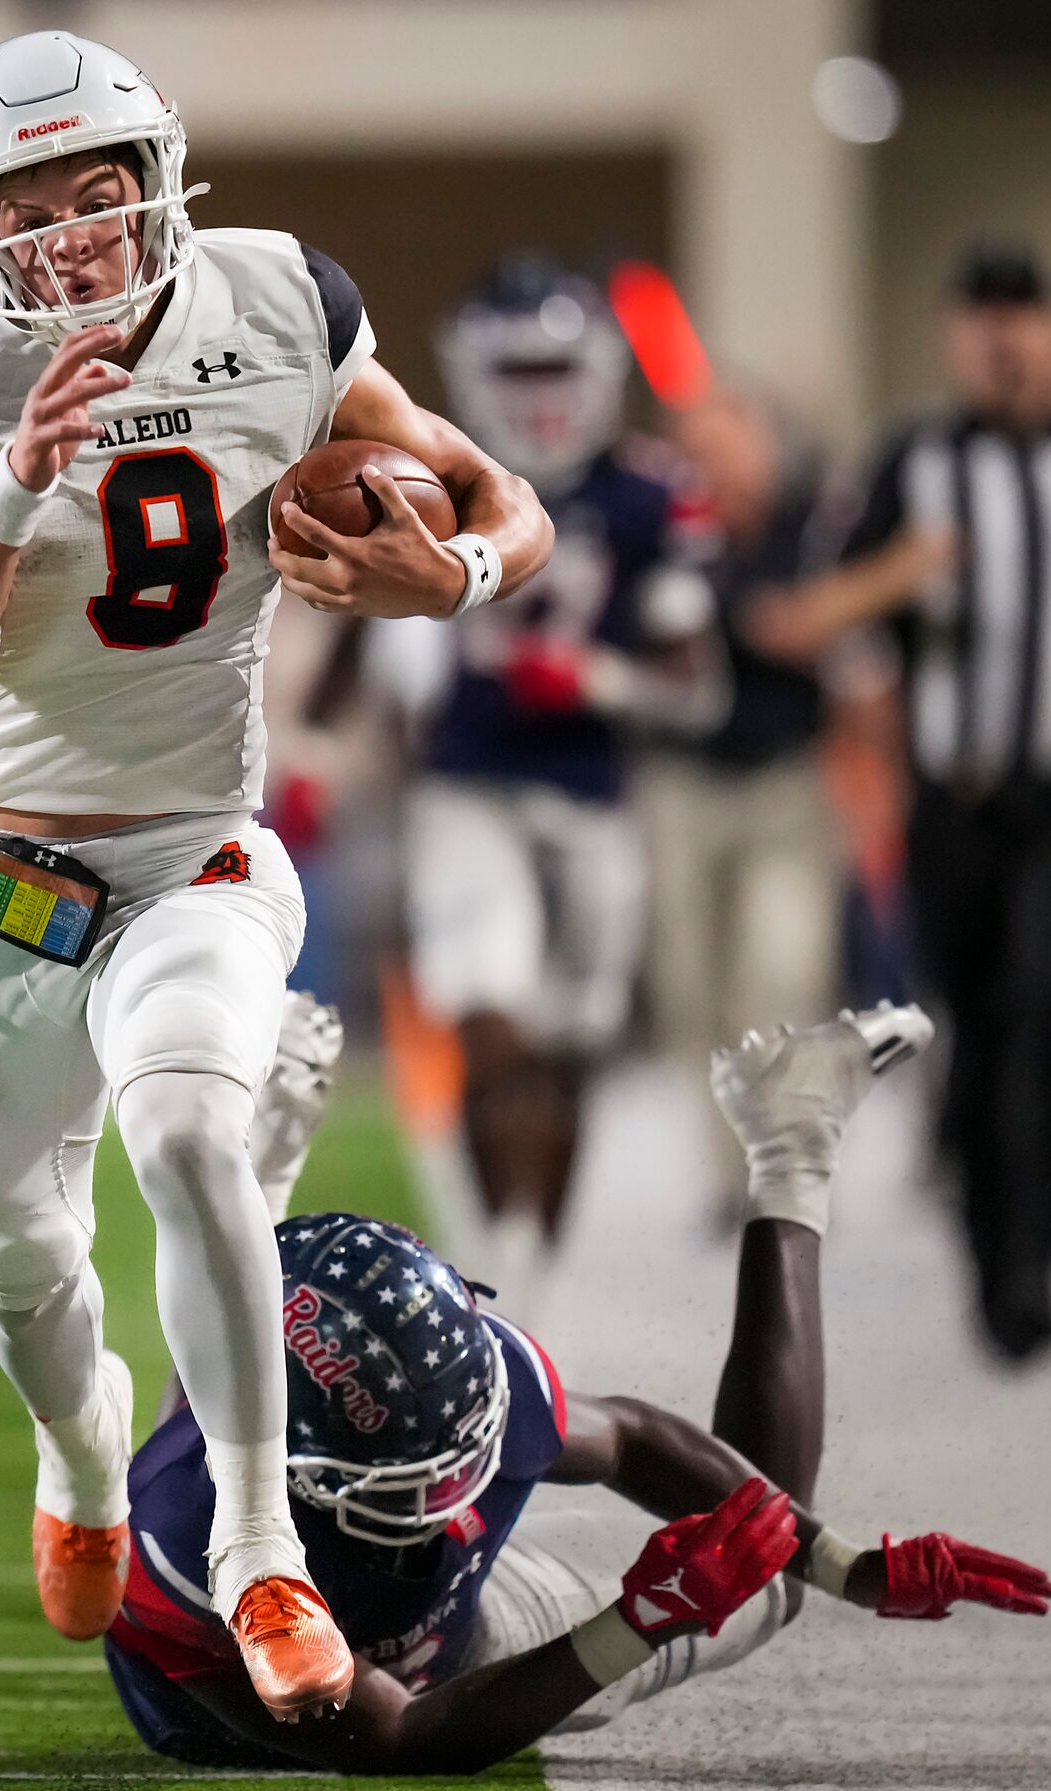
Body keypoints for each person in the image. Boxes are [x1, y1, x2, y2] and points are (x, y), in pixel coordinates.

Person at [0, 30, 554, 1724]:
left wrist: (448, 571)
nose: (78, 234)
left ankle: (253, 1547)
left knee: (179, 1129)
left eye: (105, 191)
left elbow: (498, 496)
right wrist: (12, 480)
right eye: (34, 207)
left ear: (161, 182)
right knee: (14, 1248)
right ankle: (80, 1445)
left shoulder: (285, 301)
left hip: (194, 848)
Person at [105, 1003, 1051, 1773]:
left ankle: (792, 1140)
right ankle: (257, 1170)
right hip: (232, 1713)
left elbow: (635, 1439)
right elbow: (401, 1736)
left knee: (768, 1571)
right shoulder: (175, 1538)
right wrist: (635, 1623)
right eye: (417, 1479)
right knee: (199, 1450)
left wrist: (846, 1565)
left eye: (465, 1446)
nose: (461, 1494)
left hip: (445, 1619)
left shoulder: (460, 1372)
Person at [777, 242, 1051, 1360]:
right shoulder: (916, 458)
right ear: (956, 335)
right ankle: (985, 1227)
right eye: (983, 317)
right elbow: (816, 611)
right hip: (953, 797)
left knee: (1049, 1003)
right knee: (973, 1019)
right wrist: (903, 575)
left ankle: (1034, 1251)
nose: (1004, 339)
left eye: (1023, 314)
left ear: (1050, 331)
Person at [399, 257, 724, 1291]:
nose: (540, 394)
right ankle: (500, 1250)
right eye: (519, 369)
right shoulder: (426, 477)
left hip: (593, 793)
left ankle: (538, 1254)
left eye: (556, 366)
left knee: (573, 1047)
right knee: (488, 1022)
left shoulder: (645, 496)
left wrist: (595, 679)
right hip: (466, 785)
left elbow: (696, 690)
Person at [638, 380, 847, 1206]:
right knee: (693, 987)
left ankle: (779, 1160)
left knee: (779, 971)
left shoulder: (810, 532)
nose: (719, 466)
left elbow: (833, 630)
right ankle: (726, 1165)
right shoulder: (668, 538)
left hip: (785, 783)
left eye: (732, 444)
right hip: (682, 785)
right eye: (702, 449)